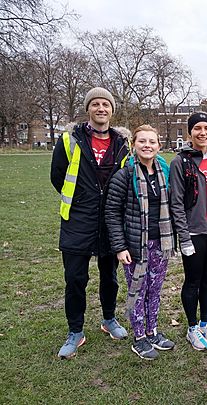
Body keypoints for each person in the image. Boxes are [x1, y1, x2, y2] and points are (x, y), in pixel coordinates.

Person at [51, 87, 129, 359]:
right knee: (75, 278)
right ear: (88, 109)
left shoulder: (122, 143)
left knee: (109, 275)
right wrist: (83, 198)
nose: (100, 109)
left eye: (105, 104)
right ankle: (75, 331)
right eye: (95, 104)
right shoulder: (69, 140)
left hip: (110, 219)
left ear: (111, 110)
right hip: (77, 219)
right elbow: (58, 177)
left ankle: (109, 319)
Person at [105, 125, 175, 360]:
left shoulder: (164, 171)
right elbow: (112, 212)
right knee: (138, 290)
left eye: (152, 142)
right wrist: (120, 246)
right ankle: (139, 337)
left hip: (161, 242)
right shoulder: (124, 174)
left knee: (155, 290)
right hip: (135, 245)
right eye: (142, 141)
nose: (147, 145)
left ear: (158, 145)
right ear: (134, 145)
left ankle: (152, 331)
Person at [169, 112, 207, 351]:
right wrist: (183, 237)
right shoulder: (180, 162)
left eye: (206, 128)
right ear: (189, 133)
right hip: (194, 232)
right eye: (197, 129)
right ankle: (192, 327)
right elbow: (176, 202)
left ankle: (205, 323)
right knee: (193, 280)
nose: (202, 132)